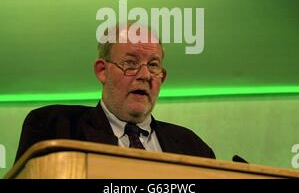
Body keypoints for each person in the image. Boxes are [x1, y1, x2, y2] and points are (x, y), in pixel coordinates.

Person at [15, 24, 215, 162]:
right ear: (102, 70)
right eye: (130, 63)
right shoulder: (55, 127)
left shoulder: (193, 148)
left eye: (153, 65)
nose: (145, 75)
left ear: (162, 77)